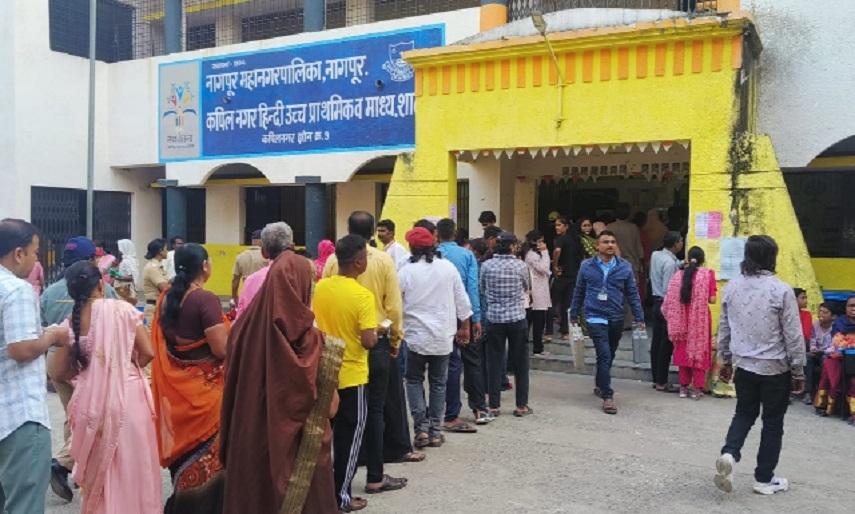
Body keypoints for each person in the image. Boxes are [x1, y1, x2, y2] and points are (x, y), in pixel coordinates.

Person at [221, 246, 339, 514]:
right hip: (299, 454)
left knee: (256, 492)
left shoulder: (242, 329)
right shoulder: (312, 342)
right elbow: (331, 407)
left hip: (251, 442)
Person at [49, 261, 161, 513]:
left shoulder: (71, 321)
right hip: (129, 398)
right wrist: (125, 368)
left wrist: (89, 376)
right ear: (101, 284)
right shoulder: (122, 310)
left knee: (102, 469)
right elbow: (147, 353)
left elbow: (58, 371)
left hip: (91, 402)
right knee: (135, 465)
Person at [714, 235, 805, 495]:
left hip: (744, 366)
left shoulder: (732, 287)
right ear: (772, 257)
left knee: (744, 413)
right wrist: (798, 370)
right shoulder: (782, 290)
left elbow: (724, 328)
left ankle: (730, 454)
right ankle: (764, 479)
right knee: (773, 423)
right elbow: (793, 335)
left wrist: (725, 360)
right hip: (776, 369)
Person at [150, 243, 230, 512]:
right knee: (211, 462)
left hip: (179, 396)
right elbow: (220, 349)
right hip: (208, 398)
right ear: (204, 266)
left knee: (185, 463)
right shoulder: (203, 299)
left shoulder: (167, 297)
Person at [41, 236, 120, 502]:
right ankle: (64, 464)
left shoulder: (50, 290)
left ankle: (75, 472)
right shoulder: (101, 289)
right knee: (91, 420)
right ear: (89, 261)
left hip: (55, 361)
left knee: (72, 416)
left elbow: (41, 326)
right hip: (85, 362)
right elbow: (122, 316)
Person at [0, 219, 67, 514]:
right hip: (19, 415)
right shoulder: (17, 290)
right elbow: (22, 348)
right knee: (24, 504)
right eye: (35, 252)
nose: (36, 259)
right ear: (18, 253)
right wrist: (52, 335)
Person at [315, 235, 379, 512]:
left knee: (324, 437)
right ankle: (341, 496)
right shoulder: (363, 296)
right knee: (350, 438)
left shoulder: (320, 287)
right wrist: (379, 332)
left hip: (323, 371)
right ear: (358, 262)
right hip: (352, 374)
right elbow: (368, 341)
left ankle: (324, 491)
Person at [400, 227, 473, 447]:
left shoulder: (405, 271)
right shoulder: (447, 268)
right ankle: (434, 431)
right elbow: (462, 300)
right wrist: (465, 327)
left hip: (415, 337)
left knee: (413, 381)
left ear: (412, 247)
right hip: (442, 336)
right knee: (438, 383)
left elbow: (393, 303)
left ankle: (420, 430)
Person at [570, 231, 645, 415]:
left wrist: (639, 316)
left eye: (612, 241)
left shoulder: (624, 267)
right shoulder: (586, 266)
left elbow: (632, 294)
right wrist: (574, 313)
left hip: (616, 316)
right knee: (603, 354)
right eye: (605, 242)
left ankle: (600, 383)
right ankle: (608, 396)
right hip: (594, 315)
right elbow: (579, 290)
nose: (610, 245)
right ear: (597, 245)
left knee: (609, 354)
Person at [436, 219, 491, 430]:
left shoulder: (432, 255)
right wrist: (475, 318)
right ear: (456, 233)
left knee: (444, 365)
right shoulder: (466, 255)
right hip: (463, 315)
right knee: (472, 361)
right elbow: (472, 288)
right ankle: (479, 408)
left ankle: (445, 413)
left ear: (437, 234)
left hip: (440, 316)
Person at [481, 232, 533, 417]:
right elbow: (527, 287)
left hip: (494, 318)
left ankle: (493, 405)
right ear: (512, 247)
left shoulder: (486, 266)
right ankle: (521, 406)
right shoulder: (520, 265)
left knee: (494, 362)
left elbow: (483, 288)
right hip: (517, 318)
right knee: (521, 362)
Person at [661, 246, 717, 400]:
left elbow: (670, 300)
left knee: (682, 351)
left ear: (687, 259)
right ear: (703, 260)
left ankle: (683, 388)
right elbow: (712, 299)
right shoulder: (708, 275)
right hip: (700, 322)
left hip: (681, 322)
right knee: (699, 352)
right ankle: (697, 390)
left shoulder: (678, 275)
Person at [649, 231, 684, 392]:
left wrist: (682, 264)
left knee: (656, 342)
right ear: (676, 243)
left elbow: (670, 264)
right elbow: (668, 288)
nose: (682, 244)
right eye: (681, 241)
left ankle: (656, 378)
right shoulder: (670, 264)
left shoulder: (656, 255)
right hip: (665, 303)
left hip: (655, 301)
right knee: (665, 345)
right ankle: (662, 381)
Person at [235, 222, 293, 319]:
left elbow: (240, 319)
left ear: (264, 252)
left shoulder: (249, 281)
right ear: (292, 247)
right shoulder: (300, 278)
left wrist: (234, 296)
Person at [813, 295, 855, 421]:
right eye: (851, 305)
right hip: (840, 357)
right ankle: (825, 405)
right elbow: (837, 342)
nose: (854, 308)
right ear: (846, 308)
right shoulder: (840, 323)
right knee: (830, 368)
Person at [607, 203, 644, 329]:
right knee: (631, 294)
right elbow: (639, 249)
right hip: (631, 263)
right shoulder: (633, 228)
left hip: (612, 263)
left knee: (614, 293)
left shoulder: (609, 227)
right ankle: (628, 322)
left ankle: (615, 319)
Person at [551, 217, 582, 340]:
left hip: (562, 275)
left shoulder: (562, 239)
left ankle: (548, 331)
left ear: (566, 226)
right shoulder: (576, 240)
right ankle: (565, 331)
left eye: (559, 225)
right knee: (567, 304)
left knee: (553, 303)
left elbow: (557, 251)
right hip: (573, 275)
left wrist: (555, 265)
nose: (556, 227)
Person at [523, 230, 552, 356]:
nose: (542, 244)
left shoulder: (534, 254)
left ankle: (538, 346)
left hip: (540, 290)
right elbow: (544, 268)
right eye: (540, 241)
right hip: (536, 291)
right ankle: (535, 347)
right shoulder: (531, 255)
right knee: (536, 321)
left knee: (539, 321)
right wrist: (545, 252)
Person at [804, 303, 836, 404]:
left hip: (829, 353)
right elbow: (812, 338)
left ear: (833, 316)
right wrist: (813, 348)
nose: (821, 314)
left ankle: (822, 390)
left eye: (825, 312)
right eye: (820, 311)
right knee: (807, 357)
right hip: (817, 352)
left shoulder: (836, 326)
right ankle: (807, 391)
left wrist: (823, 351)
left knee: (825, 359)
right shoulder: (815, 325)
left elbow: (836, 345)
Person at [231, 229, 267, 307]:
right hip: (264, 295)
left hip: (246, 294)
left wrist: (234, 297)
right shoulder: (266, 256)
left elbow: (235, 280)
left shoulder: (240, 256)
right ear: (262, 241)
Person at [142, 239, 170, 331]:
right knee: (153, 337)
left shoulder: (158, 266)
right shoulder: (152, 268)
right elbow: (165, 287)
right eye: (166, 249)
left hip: (159, 306)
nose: (167, 251)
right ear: (160, 251)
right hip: (154, 307)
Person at [114, 239, 140, 306]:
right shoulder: (132, 260)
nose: (119, 251)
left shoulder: (127, 261)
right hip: (128, 289)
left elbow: (131, 277)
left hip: (125, 289)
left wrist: (117, 277)